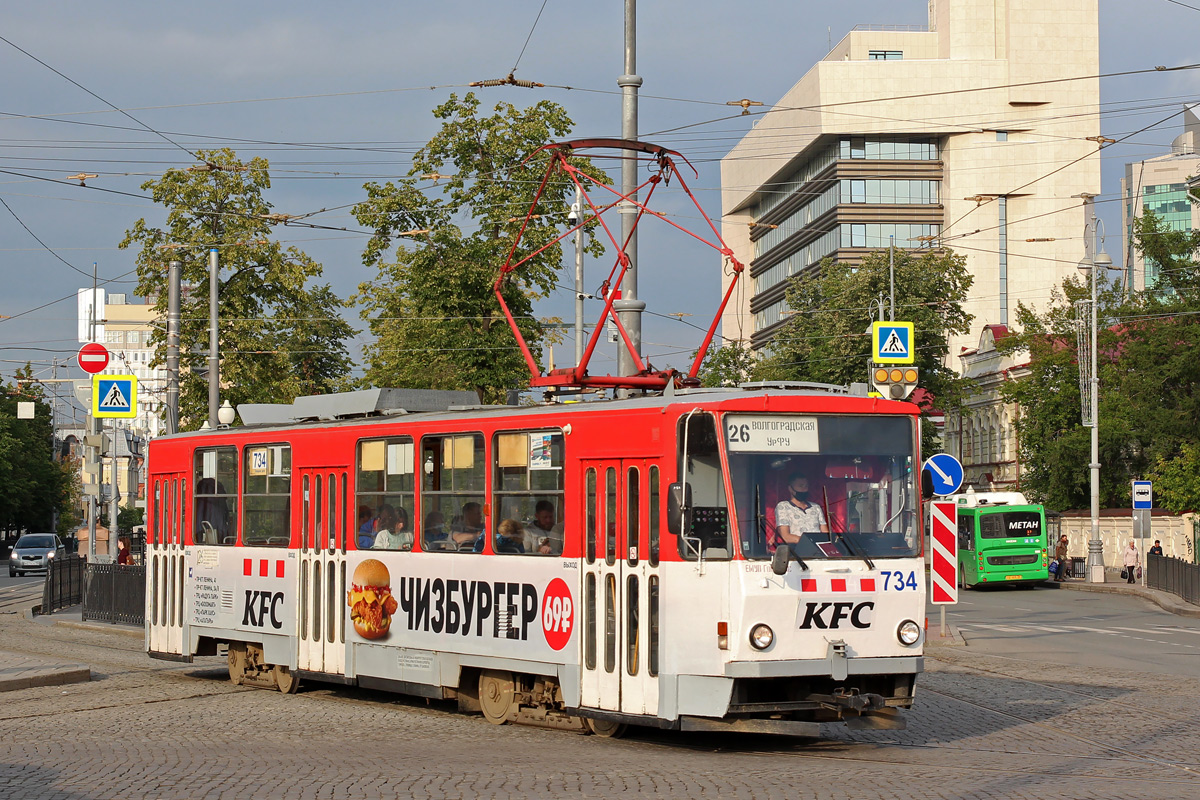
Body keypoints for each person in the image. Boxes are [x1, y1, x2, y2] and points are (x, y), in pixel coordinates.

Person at [774, 473, 828, 545]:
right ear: (790, 489)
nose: (804, 489)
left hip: (819, 549)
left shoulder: (816, 507)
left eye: (806, 486)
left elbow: (825, 533)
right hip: (797, 550)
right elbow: (785, 536)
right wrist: (809, 542)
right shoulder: (783, 506)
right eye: (800, 486)